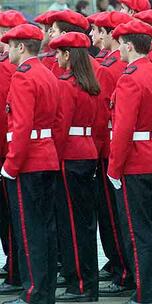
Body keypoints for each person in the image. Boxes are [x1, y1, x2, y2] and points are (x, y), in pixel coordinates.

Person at [107, 19, 152, 304]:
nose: (118, 49)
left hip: (135, 162)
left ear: (129, 46)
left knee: (138, 233)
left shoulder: (130, 77)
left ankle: (146, 295)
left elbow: (123, 129)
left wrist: (114, 168)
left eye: (121, 43)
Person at [0, 23, 60, 304]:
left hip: (28, 162)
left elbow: (21, 127)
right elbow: (57, 122)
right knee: (45, 230)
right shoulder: (46, 73)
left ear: (20, 47)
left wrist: (10, 166)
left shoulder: (23, 77)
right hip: (46, 156)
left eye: (10, 45)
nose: (7, 50)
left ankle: (34, 293)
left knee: (29, 232)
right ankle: (44, 289)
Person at [48, 32, 101, 302]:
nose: (56, 57)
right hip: (87, 151)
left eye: (59, 52)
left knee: (71, 223)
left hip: (69, 155)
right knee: (84, 222)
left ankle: (80, 284)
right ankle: (86, 281)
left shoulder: (67, 85)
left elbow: (60, 127)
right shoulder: (88, 84)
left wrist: (52, 159)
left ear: (69, 55)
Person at [93, 10, 134, 296]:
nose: (93, 36)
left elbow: (104, 114)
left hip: (112, 148)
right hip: (122, 147)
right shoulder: (115, 64)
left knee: (115, 217)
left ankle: (124, 270)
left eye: (97, 30)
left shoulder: (110, 68)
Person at [0, 10, 27, 295]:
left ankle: (16, 270)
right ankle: (13, 266)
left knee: (11, 217)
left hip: (9, 150)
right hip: (8, 148)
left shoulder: (11, 68)